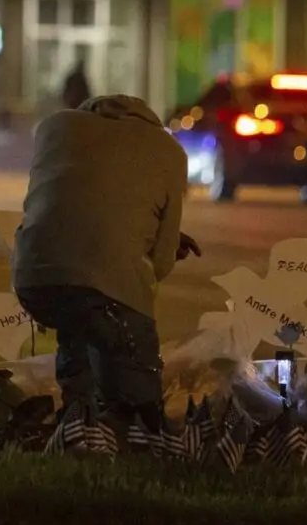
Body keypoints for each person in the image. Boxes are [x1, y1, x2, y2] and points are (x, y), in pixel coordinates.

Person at [11, 94, 198, 431]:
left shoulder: (57, 127)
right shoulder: (167, 149)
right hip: (100, 293)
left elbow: (73, 205)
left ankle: (77, 416)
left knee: (78, 313)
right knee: (116, 319)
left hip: (33, 278)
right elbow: (161, 263)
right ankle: (136, 424)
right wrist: (150, 249)